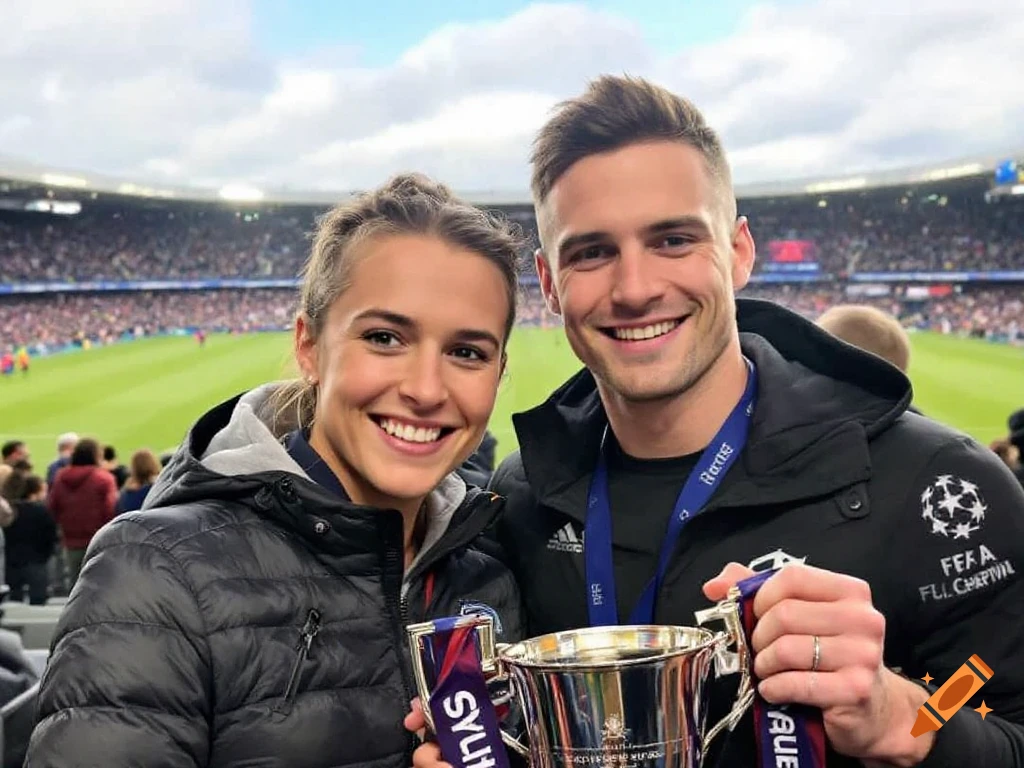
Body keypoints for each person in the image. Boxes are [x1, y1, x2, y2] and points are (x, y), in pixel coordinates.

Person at [408, 75, 1024, 767]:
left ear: (738, 253)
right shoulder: (523, 498)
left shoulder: (942, 488)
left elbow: (1000, 719)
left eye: (673, 239)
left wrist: (904, 718)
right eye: (592, 252)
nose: (635, 288)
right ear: (550, 284)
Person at [26, 173, 526, 767]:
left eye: (467, 352)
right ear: (309, 347)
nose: (424, 389)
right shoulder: (156, 574)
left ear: (498, 372)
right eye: (385, 337)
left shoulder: (489, 577)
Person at [46, 437, 117, 588]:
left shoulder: (60, 477)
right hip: (99, 539)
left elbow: (52, 506)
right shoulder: (104, 479)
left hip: (71, 538)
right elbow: (110, 510)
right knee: (99, 585)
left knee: (76, 584)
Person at [1, 472, 58, 605]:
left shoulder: (10, 511)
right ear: (35, 492)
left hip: (13, 560)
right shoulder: (41, 511)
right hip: (37, 560)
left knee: (14, 598)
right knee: (38, 598)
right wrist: (46, 555)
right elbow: (50, 536)